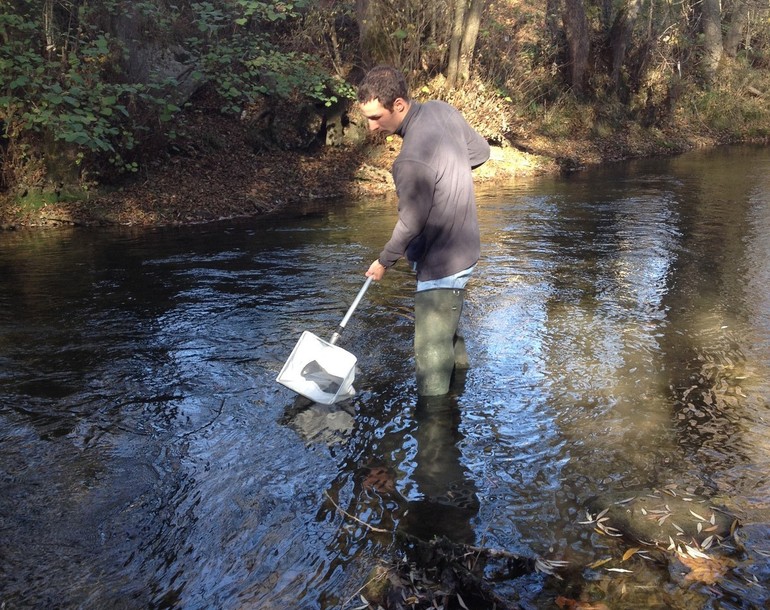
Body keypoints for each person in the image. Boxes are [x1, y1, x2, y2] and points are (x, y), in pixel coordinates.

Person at [357, 65, 490, 396]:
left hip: (442, 261)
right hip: (468, 249)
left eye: (376, 117)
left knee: (431, 353)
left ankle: (435, 425)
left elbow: (411, 222)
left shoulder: (409, 161)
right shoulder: (441, 109)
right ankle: (459, 393)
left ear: (398, 105)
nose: (371, 126)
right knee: (448, 329)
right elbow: (480, 152)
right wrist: (448, 172)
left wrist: (384, 261)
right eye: (367, 118)